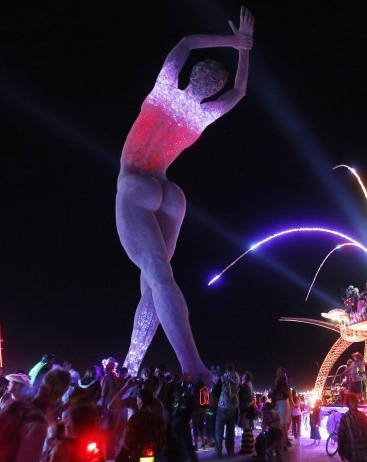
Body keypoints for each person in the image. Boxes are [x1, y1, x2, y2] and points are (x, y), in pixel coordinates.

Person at [117, 7, 255, 380]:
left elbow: (186, 43)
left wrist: (235, 41)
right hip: (169, 192)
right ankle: (132, 365)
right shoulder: (201, 116)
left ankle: (191, 365)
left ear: (193, 75)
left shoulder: (163, 91)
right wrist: (246, 50)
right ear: (214, 89)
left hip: (135, 184)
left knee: (158, 278)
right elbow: (240, 92)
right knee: (156, 281)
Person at [110, 388, 166, 462]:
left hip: (135, 457)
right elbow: (162, 440)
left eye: (137, 400)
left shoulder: (135, 418)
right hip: (150, 457)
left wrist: (118, 461)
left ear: (140, 400)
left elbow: (128, 443)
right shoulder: (158, 420)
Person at [40, 404, 106, 462]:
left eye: (69, 419)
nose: (65, 423)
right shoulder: (96, 448)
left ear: (73, 424)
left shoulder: (62, 447)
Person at [214, 363, 240, 457]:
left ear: (226, 369)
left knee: (219, 430)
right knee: (230, 431)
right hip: (233, 408)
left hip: (222, 407)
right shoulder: (237, 378)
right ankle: (230, 451)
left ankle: (218, 452)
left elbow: (215, 391)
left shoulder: (223, 378)